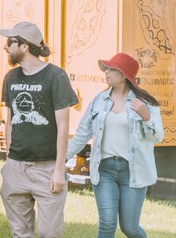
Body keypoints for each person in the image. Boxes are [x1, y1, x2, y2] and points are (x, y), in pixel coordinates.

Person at [67, 52, 163, 238]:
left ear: (124, 75)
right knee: (107, 224)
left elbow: (158, 137)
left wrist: (146, 116)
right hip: (105, 171)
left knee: (130, 228)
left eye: (111, 69)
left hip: (134, 172)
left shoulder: (145, 103)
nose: (106, 72)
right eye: (106, 69)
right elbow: (81, 135)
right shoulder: (99, 100)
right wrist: (59, 160)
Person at [0, 21, 78, 238]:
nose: (5, 47)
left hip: (47, 169)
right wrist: (9, 160)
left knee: (48, 233)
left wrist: (59, 169)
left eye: (10, 42)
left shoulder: (55, 76)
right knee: (20, 233)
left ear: (24, 46)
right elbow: (11, 120)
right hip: (16, 168)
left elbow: (63, 126)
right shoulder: (11, 78)